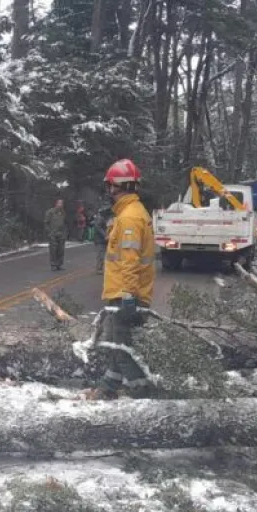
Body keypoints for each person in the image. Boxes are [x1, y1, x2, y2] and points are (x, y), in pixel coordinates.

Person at [88, 158, 156, 400]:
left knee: (123, 350)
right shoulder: (132, 213)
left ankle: (143, 394)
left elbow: (129, 260)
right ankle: (109, 387)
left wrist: (127, 296)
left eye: (110, 186)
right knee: (116, 345)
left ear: (117, 186)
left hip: (126, 296)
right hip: (125, 294)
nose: (108, 190)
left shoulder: (129, 218)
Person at [44, 199, 67, 271]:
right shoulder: (50, 212)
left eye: (62, 203)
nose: (60, 205)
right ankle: (53, 265)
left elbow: (64, 223)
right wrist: (50, 232)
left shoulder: (63, 212)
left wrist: (65, 233)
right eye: (59, 203)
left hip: (61, 234)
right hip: (53, 234)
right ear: (56, 204)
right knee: (53, 250)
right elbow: (46, 223)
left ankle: (59, 265)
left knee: (61, 250)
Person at [92, 205, 113, 273]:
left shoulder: (106, 218)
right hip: (100, 239)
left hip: (104, 239)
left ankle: (102, 268)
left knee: (105, 254)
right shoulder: (100, 218)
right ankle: (99, 269)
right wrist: (105, 235)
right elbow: (98, 228)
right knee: (101, 254)